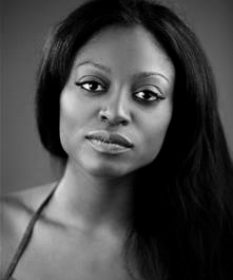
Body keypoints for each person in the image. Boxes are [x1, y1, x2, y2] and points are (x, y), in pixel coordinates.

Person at [1, 0, 233, 279]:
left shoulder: (217, 245)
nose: (114, 113)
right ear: (56, 96)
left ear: (178, 116)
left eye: (147, 94)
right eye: (92, 85)